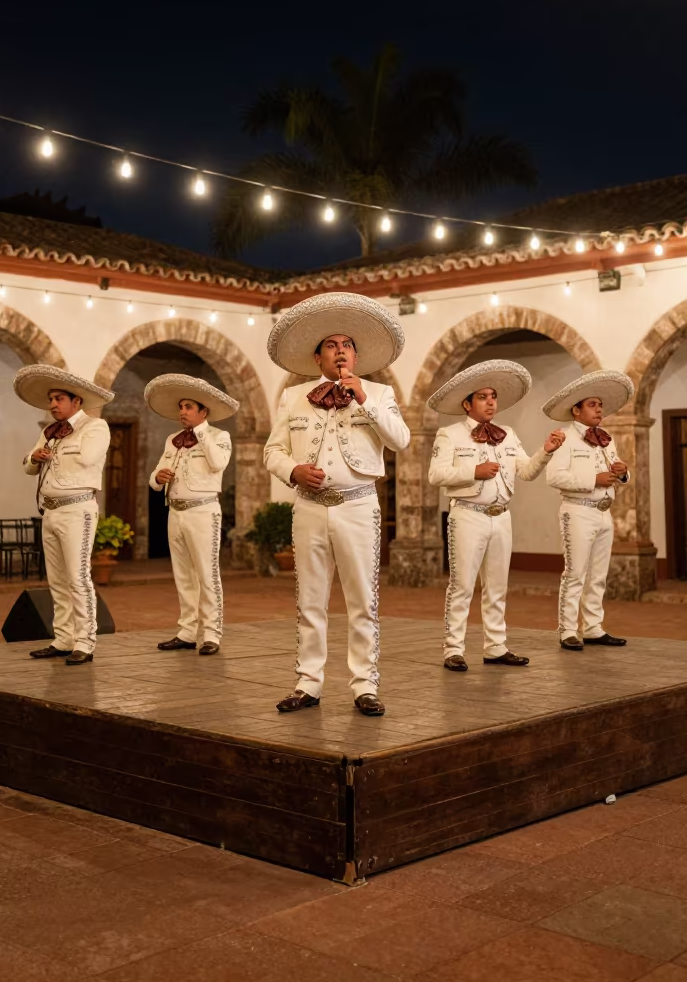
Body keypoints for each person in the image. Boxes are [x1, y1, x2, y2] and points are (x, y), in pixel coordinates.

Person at [264, 292, 409, 717]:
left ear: (356, 356)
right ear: (318, 357)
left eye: (347, 345)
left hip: (358, 506)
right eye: (331, 345)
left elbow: (401, 441)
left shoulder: (378, 393)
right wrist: (293, 470)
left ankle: (365, 685)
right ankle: (308, 683)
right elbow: (272, 451)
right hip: (309, 507)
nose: (340, 351)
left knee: (362, 600)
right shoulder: (293, 397)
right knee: (310, 601)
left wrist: (364, 398)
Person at [428, 360, 565, 671]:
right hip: (468, 515)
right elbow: (435, 474)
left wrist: (545, 451)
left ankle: (496, 646)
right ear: (467, 404)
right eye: (482, 397)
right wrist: (472, 471)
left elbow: (526, 471)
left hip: (501, 516)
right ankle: (453, 649)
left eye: (493, 397)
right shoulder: (450, 434)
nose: (490, 402)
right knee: (462, 586)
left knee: (497, 586)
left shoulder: (508, 434)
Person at [15, 364, 114, 665]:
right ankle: (63, 638)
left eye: (59, 399)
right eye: (51, 400)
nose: (53, 405)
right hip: (50, 510)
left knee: (78, 577)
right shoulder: (49, 432)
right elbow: (28, 466)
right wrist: (36, 456)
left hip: (77, 509)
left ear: (76, 401)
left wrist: (63, 442)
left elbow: (89, 457)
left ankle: (85, 641)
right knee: (56, 579)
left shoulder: (95, 427)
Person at [145, 374, 238, 656]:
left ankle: (211, 633)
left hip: (203, 511)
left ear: (203, 411)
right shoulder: (172, 440)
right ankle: (187, 631)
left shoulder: (219, 437)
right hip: (175, 512)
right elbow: (154, 476)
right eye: (181, 407)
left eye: (188, 407)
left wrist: (200, 432)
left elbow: (218, 463)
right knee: (183, 575)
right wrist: (158, 478)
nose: (182, 412)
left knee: (207, 574)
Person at [543, 370, 633, 651]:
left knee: (598, 575)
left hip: (604, 512)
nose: (599, 409)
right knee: (575, 572)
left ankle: (593, 627)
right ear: (576, 410)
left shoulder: (606, 437)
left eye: (600, 405)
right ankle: (568, 629)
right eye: (592, 405)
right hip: (577, 511)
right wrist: (593, 480)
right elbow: (554, 477)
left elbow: (615, 469)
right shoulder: (564, 438)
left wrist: (623, 472)